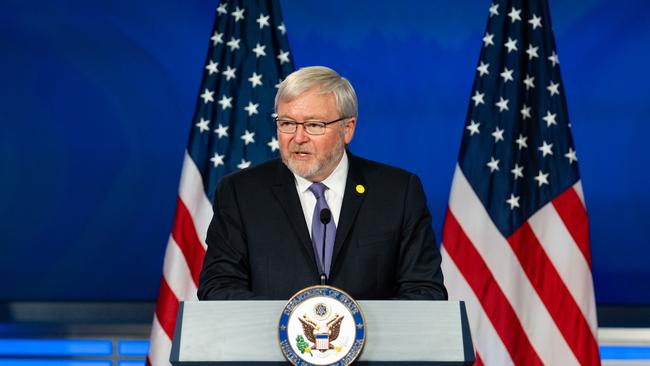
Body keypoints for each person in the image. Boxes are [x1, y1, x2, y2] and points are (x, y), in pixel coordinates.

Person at [198, 66, 447, 300]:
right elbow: (218, 288)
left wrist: (353, 328)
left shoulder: (397, 193)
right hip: (271, 343)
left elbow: (425, 290)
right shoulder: (241, 194)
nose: (298, 137)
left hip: (373, 345)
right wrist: (292, 323)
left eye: (314, 125)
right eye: (287, 123)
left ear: (347, 129)